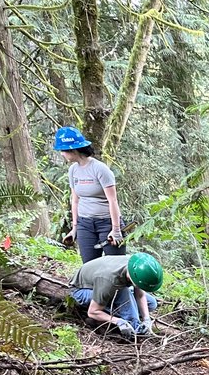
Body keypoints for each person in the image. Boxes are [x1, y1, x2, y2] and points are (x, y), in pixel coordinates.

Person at [54, 126, 124, 264]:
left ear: (73, 150)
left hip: (106, 223)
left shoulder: (100, 169)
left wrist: (116, 229)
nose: (61, 154)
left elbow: (113, 200)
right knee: (89, 267)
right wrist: (75, 228)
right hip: (85, 225)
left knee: (115, 266)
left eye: (63, 150)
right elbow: (75, 200)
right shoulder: (73, 170)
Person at [70, 253, 163, 338]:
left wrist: (147, 319)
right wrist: (118, 321)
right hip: (82, 290)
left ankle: (123, 315)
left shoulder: (135, 267)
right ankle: (134, 328)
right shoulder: (110, 281)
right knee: (124, 294)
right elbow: (92, 312)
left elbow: (140, 296)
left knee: (151, 303)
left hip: (105, 285)